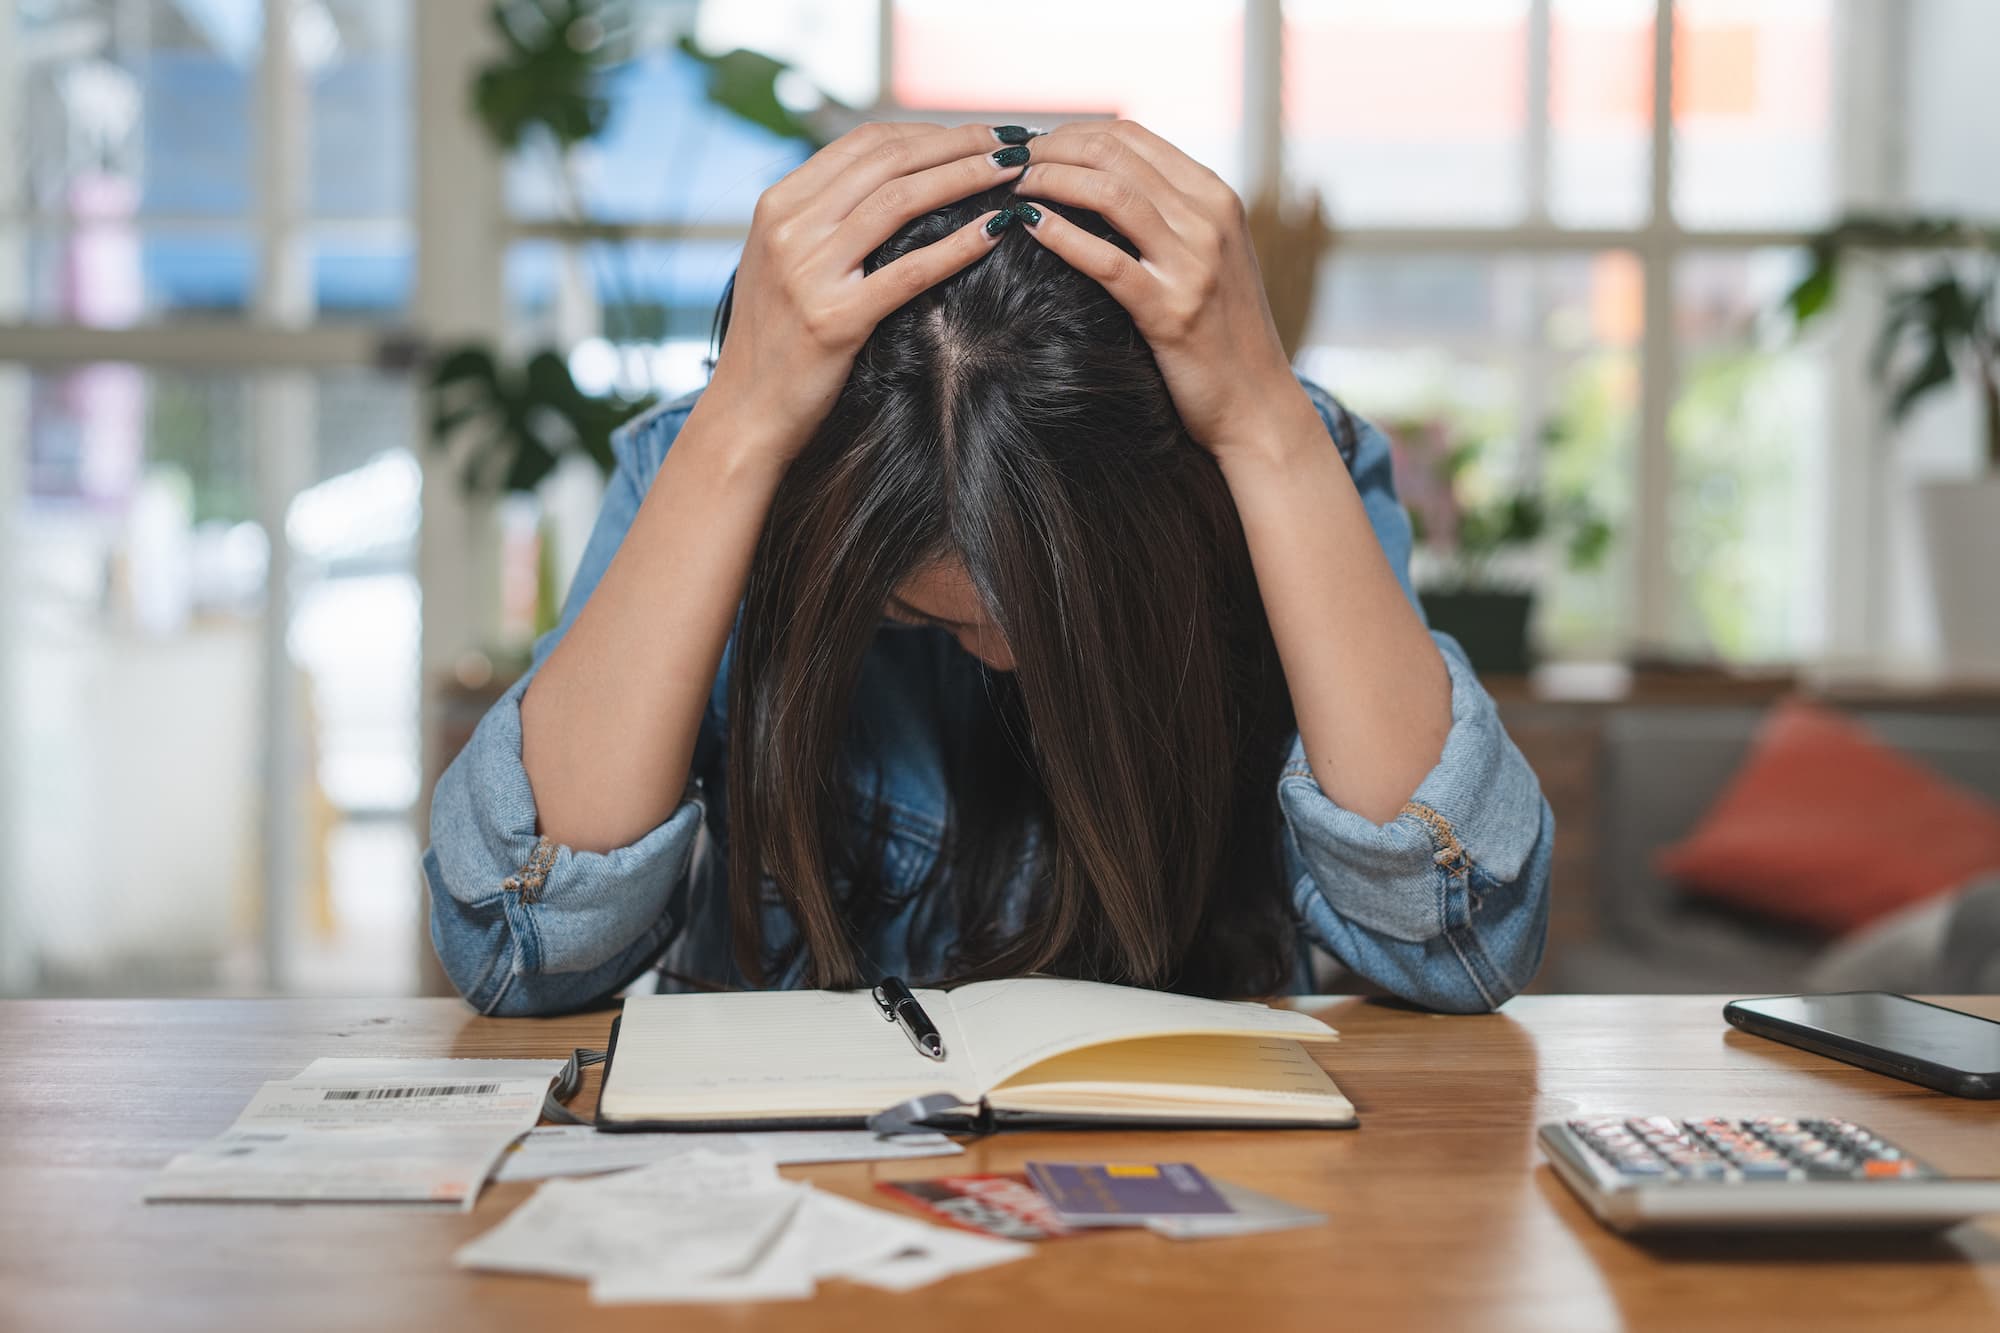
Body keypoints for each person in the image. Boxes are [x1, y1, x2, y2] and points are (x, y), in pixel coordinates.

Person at [425, 120, 1553, 1017]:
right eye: (929, 619)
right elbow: (522, 947)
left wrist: (1264, 424)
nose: (1008, 657)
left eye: (1062, 611)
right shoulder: (716, 463)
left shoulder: (1276, 460)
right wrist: (734, 433)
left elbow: (1454, 940)